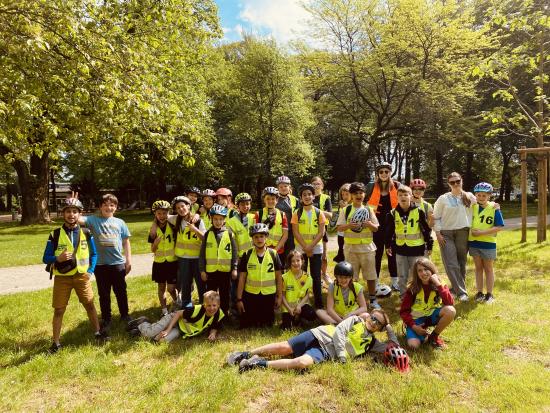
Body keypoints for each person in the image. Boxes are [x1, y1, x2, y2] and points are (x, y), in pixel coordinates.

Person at [227, 309, 406, 373]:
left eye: (378, 323)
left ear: (380, 328)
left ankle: (257, 364)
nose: (373, 322)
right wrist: (343, 356)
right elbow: (339, 332)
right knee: (284, 347)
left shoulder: (372, 343)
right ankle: (246, 353)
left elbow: (394, 347)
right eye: (373, 317)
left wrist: (389, 328)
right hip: (319, 335)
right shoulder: (356, 320)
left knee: (302, 363)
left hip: (326, 352)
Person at [43, 198, 107, 353]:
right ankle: (56, 343)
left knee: (90, 305)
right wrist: (57, 258)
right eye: (68, 211)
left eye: (74, 211)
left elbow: (94, 254)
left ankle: (98, 333)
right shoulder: (55, 234)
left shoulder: (86, 232)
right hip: (62, 278)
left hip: (81, 277)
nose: (71, 215)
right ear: (63, 214)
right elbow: (45, 258)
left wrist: (90, 271)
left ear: (79, 214)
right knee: (59, 310)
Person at [81, 193, 132, 329]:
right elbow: (76, 218)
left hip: (118, 264)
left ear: (116, 207)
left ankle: (125, 315)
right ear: (100, 207)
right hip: (100, 265)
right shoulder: (93, 220)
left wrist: (128, 260)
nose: (108, 207)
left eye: (112, 205)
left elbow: (126, 242)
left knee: (121, 291)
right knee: (104, 294)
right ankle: (106, 318)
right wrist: (73, 202)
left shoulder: (120, 222)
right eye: (105, 205)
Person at [433, 172, 476, 301]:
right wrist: (438, 233)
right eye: (452, 182)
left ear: (461, 181)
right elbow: (436, 217)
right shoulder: (443, 199)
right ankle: (462, 293)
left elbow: (482, 205)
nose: (456, 184)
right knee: (451, 263)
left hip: (463, 232)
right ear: (449, 184)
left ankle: (457, 288)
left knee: (461, 262)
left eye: (458, 181)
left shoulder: (469, 196)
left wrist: (494, 206)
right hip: (447, 234)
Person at [336, 182, 380, 309]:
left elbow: (376, 228)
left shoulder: (368, 210)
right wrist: (349, 225)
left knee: (371, 275)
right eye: (355, 193)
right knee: (351, 276)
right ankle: (354, 299)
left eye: (361, 193)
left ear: (364, 195)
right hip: (351, 249)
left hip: (367, 249)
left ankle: (372, 300)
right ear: (351, 195)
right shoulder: (346, 210)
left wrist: (370, 225)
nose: (358, 195)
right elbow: (339, 227)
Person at [384, 185, 433, 298]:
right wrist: (387, 245)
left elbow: (426, 229)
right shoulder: (392, 213)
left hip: (417, 249)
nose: (403, 197)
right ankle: (403, 295)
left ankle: (418, 295)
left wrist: (429, 245)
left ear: (411, 196)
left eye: (406, 194)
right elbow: (389, 231)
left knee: (417, 274)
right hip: (400, 249)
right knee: (402, 275)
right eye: (400, 195)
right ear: (397, 197)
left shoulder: (419, 211)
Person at [400, 258, 456, 349]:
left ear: (431, 269)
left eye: (426, 269)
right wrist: (414, 327)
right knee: (414, 346)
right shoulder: (412, 288)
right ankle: (420, 333)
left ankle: (433, 336)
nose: (423, 273)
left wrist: (438, 285)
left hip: (431, 317)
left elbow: (450, 303)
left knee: (451, 311)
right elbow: (403, 311)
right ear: (417, 274)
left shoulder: (440, 283)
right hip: (416, 320)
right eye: (420, 271)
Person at [128, 290, 224, 342]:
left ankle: (139, 332)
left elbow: (215, 326)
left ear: (218, 305)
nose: (211, 308)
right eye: (209, 305)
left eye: (214, 305)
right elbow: (178, 314)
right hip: (173, 318)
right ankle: (142, 322)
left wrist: (213, 334)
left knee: (161, 340)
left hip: (180, 328)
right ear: (204, 305)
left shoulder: (218, 314)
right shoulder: (197, 310)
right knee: (149, 333)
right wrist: (168, 330)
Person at [236, 223, 283, 328]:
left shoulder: (273, 254)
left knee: (266, 324)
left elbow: (279, 277)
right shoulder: (247, 254)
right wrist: (239, 299)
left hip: (268, 295)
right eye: (256, 237)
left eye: (262, 236)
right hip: (251, 295)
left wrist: (279, 297)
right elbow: (242, 278)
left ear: (266, 237)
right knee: (250, 324)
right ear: (252, 239)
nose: (259, 239)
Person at [291, 183, 326, 309]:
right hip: (301, 248)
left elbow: (321, 232)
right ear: (301, 198)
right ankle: (303, 302)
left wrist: (310, 246)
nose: (307, 197)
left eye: (309, 194)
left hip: (315, 248)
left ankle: (319, 303)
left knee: (316, 276)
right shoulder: (297, 213)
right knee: (302, 276)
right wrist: (306, 247)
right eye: (304, 195)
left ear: (313, 197)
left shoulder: (319, 213)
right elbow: (295, 232)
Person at [469, 182, 504, 304]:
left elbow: (499, 227)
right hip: (474, 243)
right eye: (479, 195)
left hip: (488, 243)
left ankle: (490, 294)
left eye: (484, 195)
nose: (481, 198)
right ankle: (479, 292)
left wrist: (482, 233)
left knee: (488, 269)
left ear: (489, 196)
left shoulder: (494, 208)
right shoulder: (472, 207)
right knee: (478, 268)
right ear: (475, 195)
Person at [199, 204, 238, 315]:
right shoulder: (207, 234)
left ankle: (224, 314)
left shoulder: (229, 234)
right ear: (211, 219)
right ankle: (212, 314)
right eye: (215, 219)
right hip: (211, 272)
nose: (218, 222)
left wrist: (234, 268)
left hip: (225, 271)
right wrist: (202, 270)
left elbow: (234, 252)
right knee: (211, 295)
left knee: (225, 294)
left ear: (224, 220)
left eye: (220, 219)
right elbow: (202, 254)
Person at [366, 163, 400, 291]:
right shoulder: (371, 186)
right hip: (376, 225)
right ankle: (376, 281)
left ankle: (395, 281)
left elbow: (406, 198)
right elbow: (361, 198)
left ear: (390, 172)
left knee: (392, 253)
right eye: (381, 172)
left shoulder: (397, 186)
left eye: (386, 171)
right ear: (378, 174)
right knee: (377, 253)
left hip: (393, 225)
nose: (384, 174)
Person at [169, 195, 206, 307]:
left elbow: (205, 238)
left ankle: (203, 305)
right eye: (178, 208)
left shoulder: (198, 220)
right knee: (186, 283)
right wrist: (155, 225)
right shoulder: (175, 219)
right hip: (183, 258)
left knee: (201, 283)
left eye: (183, 206)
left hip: (197, 258)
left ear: (189, 206)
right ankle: (186, 306)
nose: (181, 209)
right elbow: (161, 216)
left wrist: (195, 229)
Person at [149, 200, 178, 316]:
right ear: (155, 214)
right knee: (161, 287)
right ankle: (164, 310)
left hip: (172, 262)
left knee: (171, 288)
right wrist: (155, 243)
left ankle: (177, 304)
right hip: (159, 263)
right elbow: (152, 249)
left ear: (168, 213)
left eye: (164, 213)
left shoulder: (172, 225)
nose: (162, 216)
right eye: (159, 213)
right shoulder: (153, 230)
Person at [280, 250, 316, 329]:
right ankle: (296, 319)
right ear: (289, 263)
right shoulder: (284, 277)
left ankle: (301, 318)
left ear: (302, 261)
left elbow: (308, 295)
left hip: (301, 305)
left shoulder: (307, 277)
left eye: (298, 260)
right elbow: (282, 296)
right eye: (293, 261)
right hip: (288, 307)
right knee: (286, 328)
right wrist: (289, 309)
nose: (296, 263)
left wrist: (299, 306)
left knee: (312, 315)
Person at [255, 187, 288, 262]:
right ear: (264, 200)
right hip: (262, 250)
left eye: (273, 199)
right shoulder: (258, 214)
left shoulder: (282, 214)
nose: (270, 201)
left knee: (278, 273)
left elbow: (285, 235)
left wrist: (275, 250)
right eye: (268, 199)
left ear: (277, 200)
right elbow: (255, 234)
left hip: (278, 251)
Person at [311, 176, 333, 285]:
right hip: (309, 231)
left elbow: (330, 215)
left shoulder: (326, 198)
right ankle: (316, 276)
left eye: (318, 184)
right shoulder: (307, 196)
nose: (316, 186)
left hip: (323, 229)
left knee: (324, 256)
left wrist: (316, 210)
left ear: (322, 186)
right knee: (313, 256)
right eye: (314, 184)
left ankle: (324, 274)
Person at [275, 175, 300, 266]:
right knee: (279, 255)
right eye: (281, 186)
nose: (283, 188)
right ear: (277, 188)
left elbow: (299, 215)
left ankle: (290, 274)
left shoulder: (294, 199)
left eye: (285, 186)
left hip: (290, 232)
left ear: (289, 187)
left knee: (290, 255)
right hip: (278, 231)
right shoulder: (274, 198)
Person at [332, 183, 351, 263]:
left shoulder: (354, 206)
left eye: (347, 194)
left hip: (349, 234)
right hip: (341, 234)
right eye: (343, 195)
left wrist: (345, 208)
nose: (345, 197)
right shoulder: (342, 205)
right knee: (341, 250)